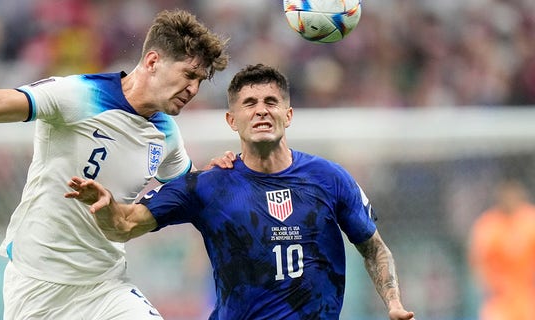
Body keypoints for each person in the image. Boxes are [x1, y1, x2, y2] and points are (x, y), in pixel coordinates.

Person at [0, 9, 230, 320]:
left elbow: (189, 188)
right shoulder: (78, 94)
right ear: (153, 61)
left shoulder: (167, 133)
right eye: (189, 75)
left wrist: (218, 174)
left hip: (105, 286)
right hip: (38, 285)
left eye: (199, 81)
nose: (194, 90)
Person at [65, 64, 415, 319]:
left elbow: (373, 248)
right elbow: (125, 225)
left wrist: (394, 303)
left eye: (270, 101)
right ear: (232, 120)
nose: (261, 110)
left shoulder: (329, 179)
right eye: (249, 103)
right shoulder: (209, 186)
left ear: (288, 115)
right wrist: (108, 206)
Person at [469, 179, 535, 320]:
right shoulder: (488, 225)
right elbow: (478, 262)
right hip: (500, 298)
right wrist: (490, 286)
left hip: (528, 294)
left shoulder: (530, 220)